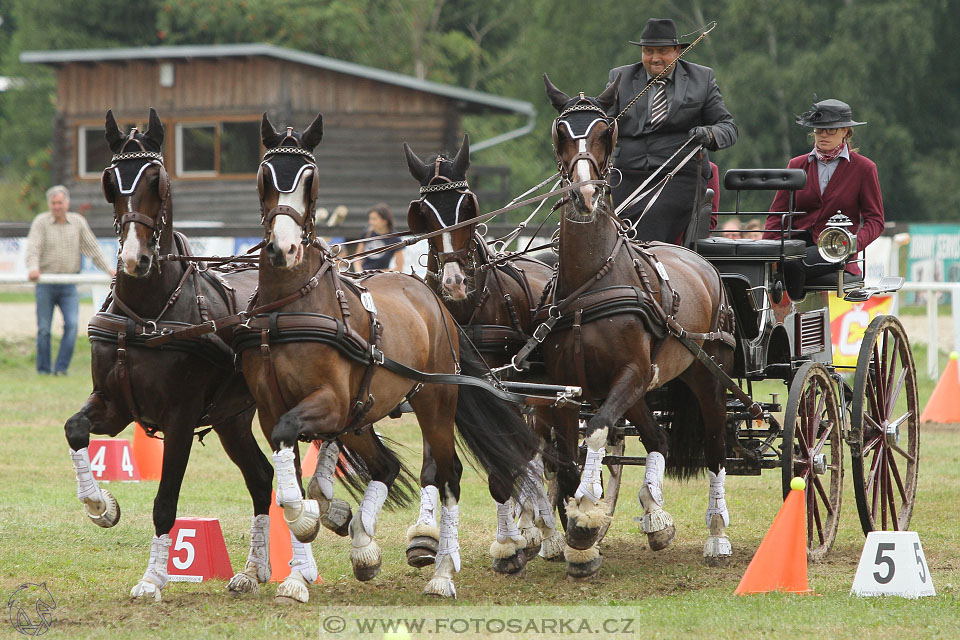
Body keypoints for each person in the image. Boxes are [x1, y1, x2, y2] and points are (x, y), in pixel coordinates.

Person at [607, 18, 738, 243]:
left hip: (677, 177)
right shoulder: (621, 78)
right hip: (627, 177)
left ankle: (646, 272)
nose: (655, 58)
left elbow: (728, 127)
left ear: (677, 51)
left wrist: (708, 134)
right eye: (648, 51)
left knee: (652, 215)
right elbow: (603, 126)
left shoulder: (701, 79)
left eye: (662, 51)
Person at [763, 98, 884, 286]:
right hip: (795, 242)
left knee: (793, 264)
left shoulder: (864, 168)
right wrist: (768, 248)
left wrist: (850, 244)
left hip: (835, 247)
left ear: (845, 131)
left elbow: (875, 221)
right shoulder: (797, 165)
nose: (823, 135)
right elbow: (777, 214)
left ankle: (786, 310)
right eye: (819, 130)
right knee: (768, 261)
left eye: (831, 130)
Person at [25, 185, 115, 375]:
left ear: (67, 203)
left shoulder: (78, 222)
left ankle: (61, 368)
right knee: (43, 330)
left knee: (73, 326)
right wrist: (33, 268)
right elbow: (33, 247)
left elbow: (93, 248)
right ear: (49, 204)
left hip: (69, 284)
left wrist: (108, 269)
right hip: (46, 283)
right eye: (53, 203)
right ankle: (43, 370)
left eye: (60, 202)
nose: (57, 206)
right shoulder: (41, 222)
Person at [356, 203, 405, 272]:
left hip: (382, 277)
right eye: (370, 219)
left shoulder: (395, 239)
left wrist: (378, 274)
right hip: (363, 276)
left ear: (384, 221)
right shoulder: (367, 234)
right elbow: (357, 258)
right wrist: (360, 272)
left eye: (374, 219)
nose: (370, 222)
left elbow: (399, 267)